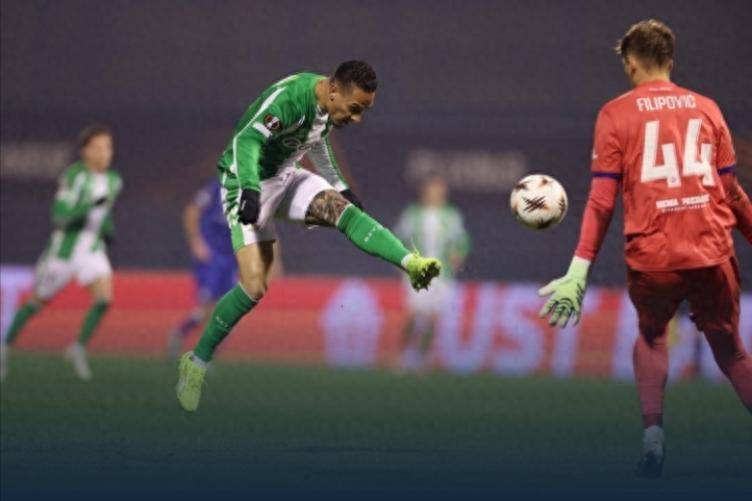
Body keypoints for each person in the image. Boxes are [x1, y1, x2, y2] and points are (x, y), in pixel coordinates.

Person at [538, 19, 752, 478]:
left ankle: (653, 437)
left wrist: (578, 270)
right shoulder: (707, 109)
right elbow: (732, 194)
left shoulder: (615, 114)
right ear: (670, 61)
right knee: (732, 352)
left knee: (653, 336)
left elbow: (602, 202)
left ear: (631, 63)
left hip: (654, 258)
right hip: (711, 251)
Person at [176, 61, 442, 411]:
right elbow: (248, 140)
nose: (357, 118)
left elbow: (318, 142)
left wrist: (339, 186)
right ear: (333, 90)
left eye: (364, 111)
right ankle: (196, 362)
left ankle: (411, 263)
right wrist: (251, 189)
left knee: (346, 214)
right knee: (255, 287)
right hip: (243, 180)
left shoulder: (328, 106)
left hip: (286, 176)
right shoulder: (291, 98)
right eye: (355, 108)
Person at [1, 124, 123, 381]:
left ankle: (77, 348)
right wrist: (89, 206)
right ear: (85, 151)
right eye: (98, 147)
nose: (104, 153)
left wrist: (108, 230)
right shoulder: (74, 176)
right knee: (36, 302)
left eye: (108, 147)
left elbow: (104, 215)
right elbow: (60, 216)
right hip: (64, 250)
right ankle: (4, 346)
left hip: (92, 248)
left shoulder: (114, 181)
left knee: (104, 299)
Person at [394, 175, 470, 372]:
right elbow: (399, 238)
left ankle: (421, 359)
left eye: (441, 191)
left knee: (433, 318)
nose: (438, 194)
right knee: (414, 314)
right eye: (434, 191)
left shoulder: (451, 216)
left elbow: (462, 241)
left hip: (442, 275)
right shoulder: (413, 214)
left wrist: (459, 255)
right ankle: (402, 357)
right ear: (425, 192)